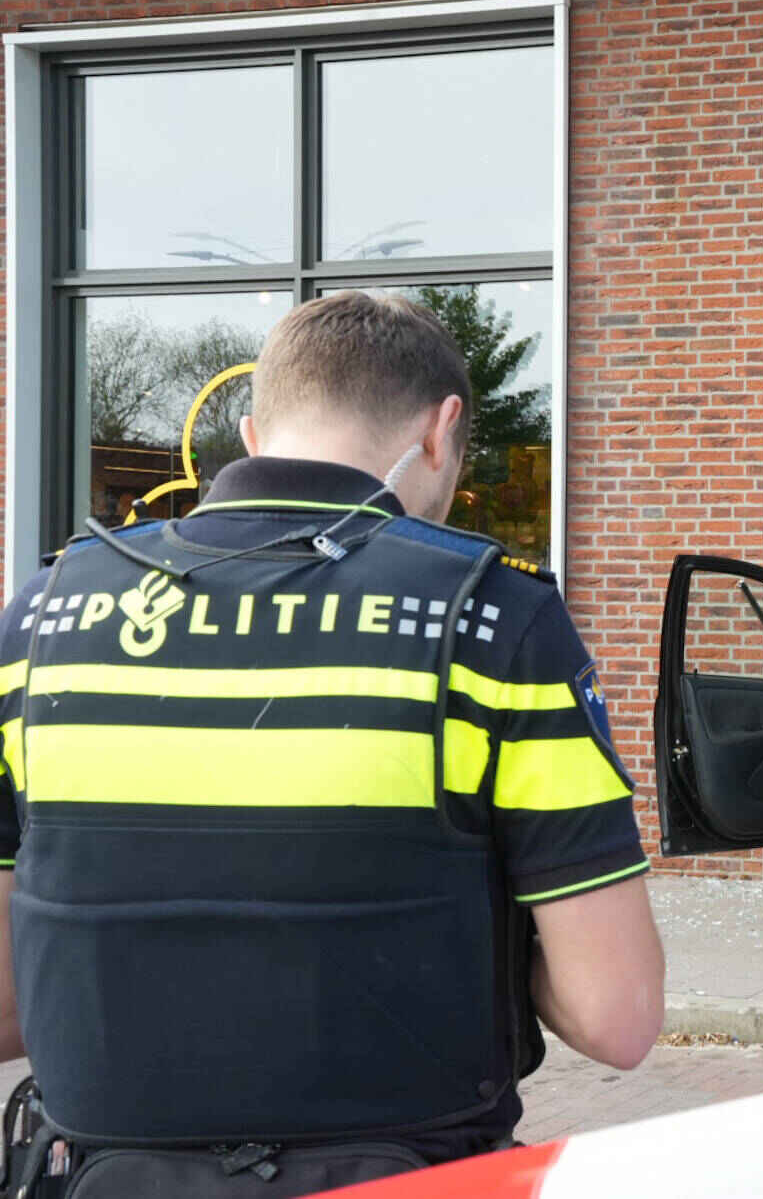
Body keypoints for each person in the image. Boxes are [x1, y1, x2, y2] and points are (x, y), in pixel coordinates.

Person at [0, 292, 665, 1193]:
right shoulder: (492, 619)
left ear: (250, 428)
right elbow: (617, 1018)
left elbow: (7, 1007)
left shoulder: (41, 619)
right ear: (441, 430)